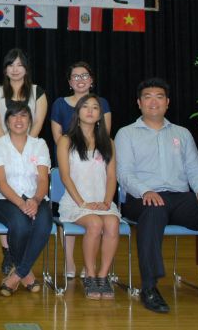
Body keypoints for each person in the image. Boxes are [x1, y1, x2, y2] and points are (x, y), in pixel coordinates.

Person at [115, 77, 198, 313]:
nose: (153, 102)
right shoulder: (126, 134)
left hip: (179, 197)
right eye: (147, 97)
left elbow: (195, 168)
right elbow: (124, 173)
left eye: (159, 97)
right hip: (141, 197)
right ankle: (150, 287)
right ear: (139, 103)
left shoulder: (182, 133)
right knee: (153, 210)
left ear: (167, 102)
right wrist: (146, 190)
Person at [0, 48, 48, 276]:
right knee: (13, 212)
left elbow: (38, 122)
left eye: (20, 65)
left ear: (26, 69)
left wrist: (26, 144)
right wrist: (9, 146)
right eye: (11, 65)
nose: (15, 69)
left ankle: (17, 267)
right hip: (4, 150)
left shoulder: (38, 92)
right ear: (5, 69)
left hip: (29, 148)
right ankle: (9, 254)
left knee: (37, 220)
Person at [50, 61, 111, 279]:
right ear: (69, 82)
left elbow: (104, 135)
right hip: (69, 162)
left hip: (95, 163)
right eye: (75, 76)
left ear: (91, 80)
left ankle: (90, 266)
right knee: (69, 212)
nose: (80, 80)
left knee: (99, 220)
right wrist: (72, 153)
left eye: (84, 75)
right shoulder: (60, 104)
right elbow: (58, 136)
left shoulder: (101, 103)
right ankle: (69, 262)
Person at [56, 94, 120, 300]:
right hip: (76, 202)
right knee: (94, 224)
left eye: (95, 107)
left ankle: (103, 276)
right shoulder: (66, 140)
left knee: (112, 223)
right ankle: (90, 276)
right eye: (86, 107)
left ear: (100, 115)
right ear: (78, 113)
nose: (90, 110)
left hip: (102, 201)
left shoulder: (108, 142)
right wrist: (83, 203)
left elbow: (112, 176)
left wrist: (107, 202)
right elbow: (65, 176)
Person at [0, 102, 52, 296]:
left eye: (23, 116)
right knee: (21, 224)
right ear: (7, 121)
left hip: (36, 198)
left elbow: (43, 179)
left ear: (30, 121)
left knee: (44, 224)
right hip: (4, 200)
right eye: (14, 116)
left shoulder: (39, 144)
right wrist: (22, 204)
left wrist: (36, 200)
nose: (18, 120)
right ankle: (26, 274)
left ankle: (17, 274)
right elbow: (1, 183)